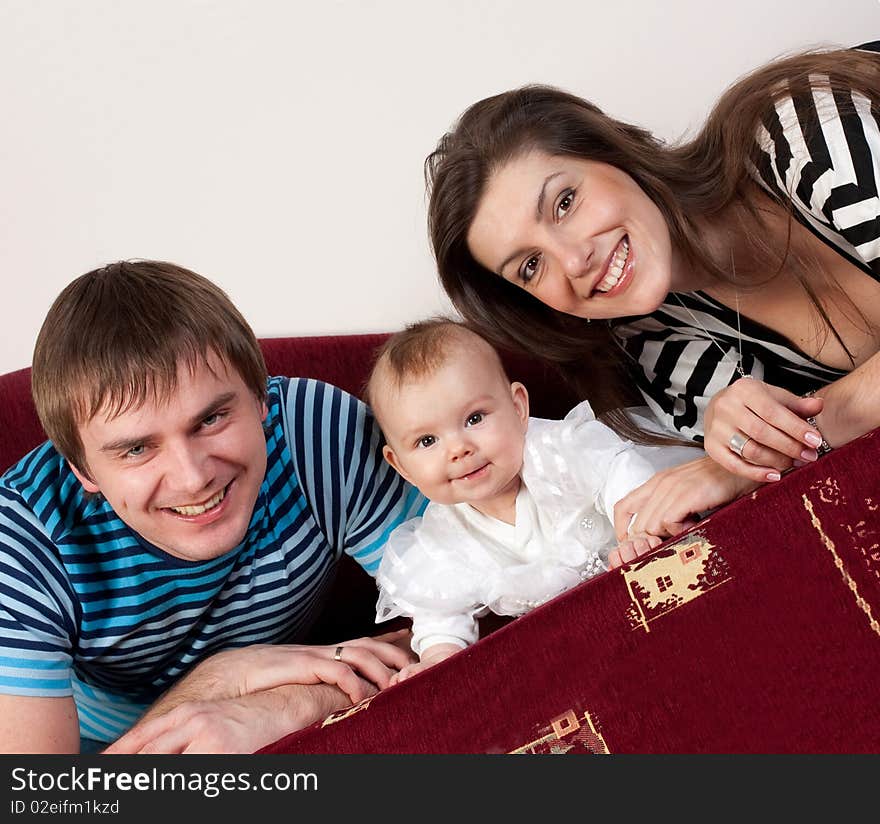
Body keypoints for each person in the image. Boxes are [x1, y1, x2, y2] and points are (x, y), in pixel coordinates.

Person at [424, 41, 880, 539]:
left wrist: (733, 466)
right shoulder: (658, 347)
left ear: (613, 153)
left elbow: (787, 449)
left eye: (565, 202)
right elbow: (787, 478)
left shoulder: (800, 128)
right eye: (531, 266)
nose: (575, 261)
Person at [0, 260, 426, 754]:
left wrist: (288, 705)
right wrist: (222, 678)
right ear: (83, 470)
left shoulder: (319, 435)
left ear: (260, 396)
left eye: (212, 418)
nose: (193, 477)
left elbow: (470, 623)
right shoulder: (22, 542)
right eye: (137, 449)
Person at [365, 318, 724, 682]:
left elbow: (617, 472)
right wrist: (439, 656)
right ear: (402, 467)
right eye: (427, 442)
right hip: (572, 643)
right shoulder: (439, 538)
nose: (459, 449)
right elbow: (441, 613)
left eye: (474, 418)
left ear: (518, 407)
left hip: (628, 578)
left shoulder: (557, 450)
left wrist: (638, 530)